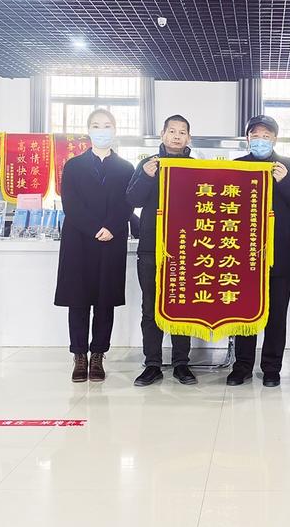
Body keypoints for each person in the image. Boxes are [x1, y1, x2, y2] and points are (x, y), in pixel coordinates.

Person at [227, 115, 290, 387]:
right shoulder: (237, 166)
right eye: (255, 135)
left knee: (276, 314)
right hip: (243, 254)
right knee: (244, 311)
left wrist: (284, 181)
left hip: (279, 252)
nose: (260, 140)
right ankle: (242, 366)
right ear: (247, 138)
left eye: (266, 135)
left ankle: (272, 368)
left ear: (275, 138)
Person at [54, 108, 134, 383]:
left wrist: (111, 227)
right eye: (97, 126)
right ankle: (79, 355)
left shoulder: (126, 168)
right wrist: (94, 228)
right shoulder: (73, 165)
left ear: (115, 130)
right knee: (78, 300)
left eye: (107, 125)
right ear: (88, 130)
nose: (102, 130)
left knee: (104, 301)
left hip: (112, 241)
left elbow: (128, 203)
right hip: (79, 240)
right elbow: (70, 203)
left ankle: (98, 354)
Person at [126, 115, 196, 386]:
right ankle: (152, 364)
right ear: (163, 134)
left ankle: (181, 363)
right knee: (150, 307)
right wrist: (146, 177)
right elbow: (132, 200)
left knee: (182, 306)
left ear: (189, 137)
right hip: (151, 248)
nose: (177, 136)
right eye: (172, 131)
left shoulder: (195, 167)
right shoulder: (148, 164)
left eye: (182, 132)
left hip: (185, 249)